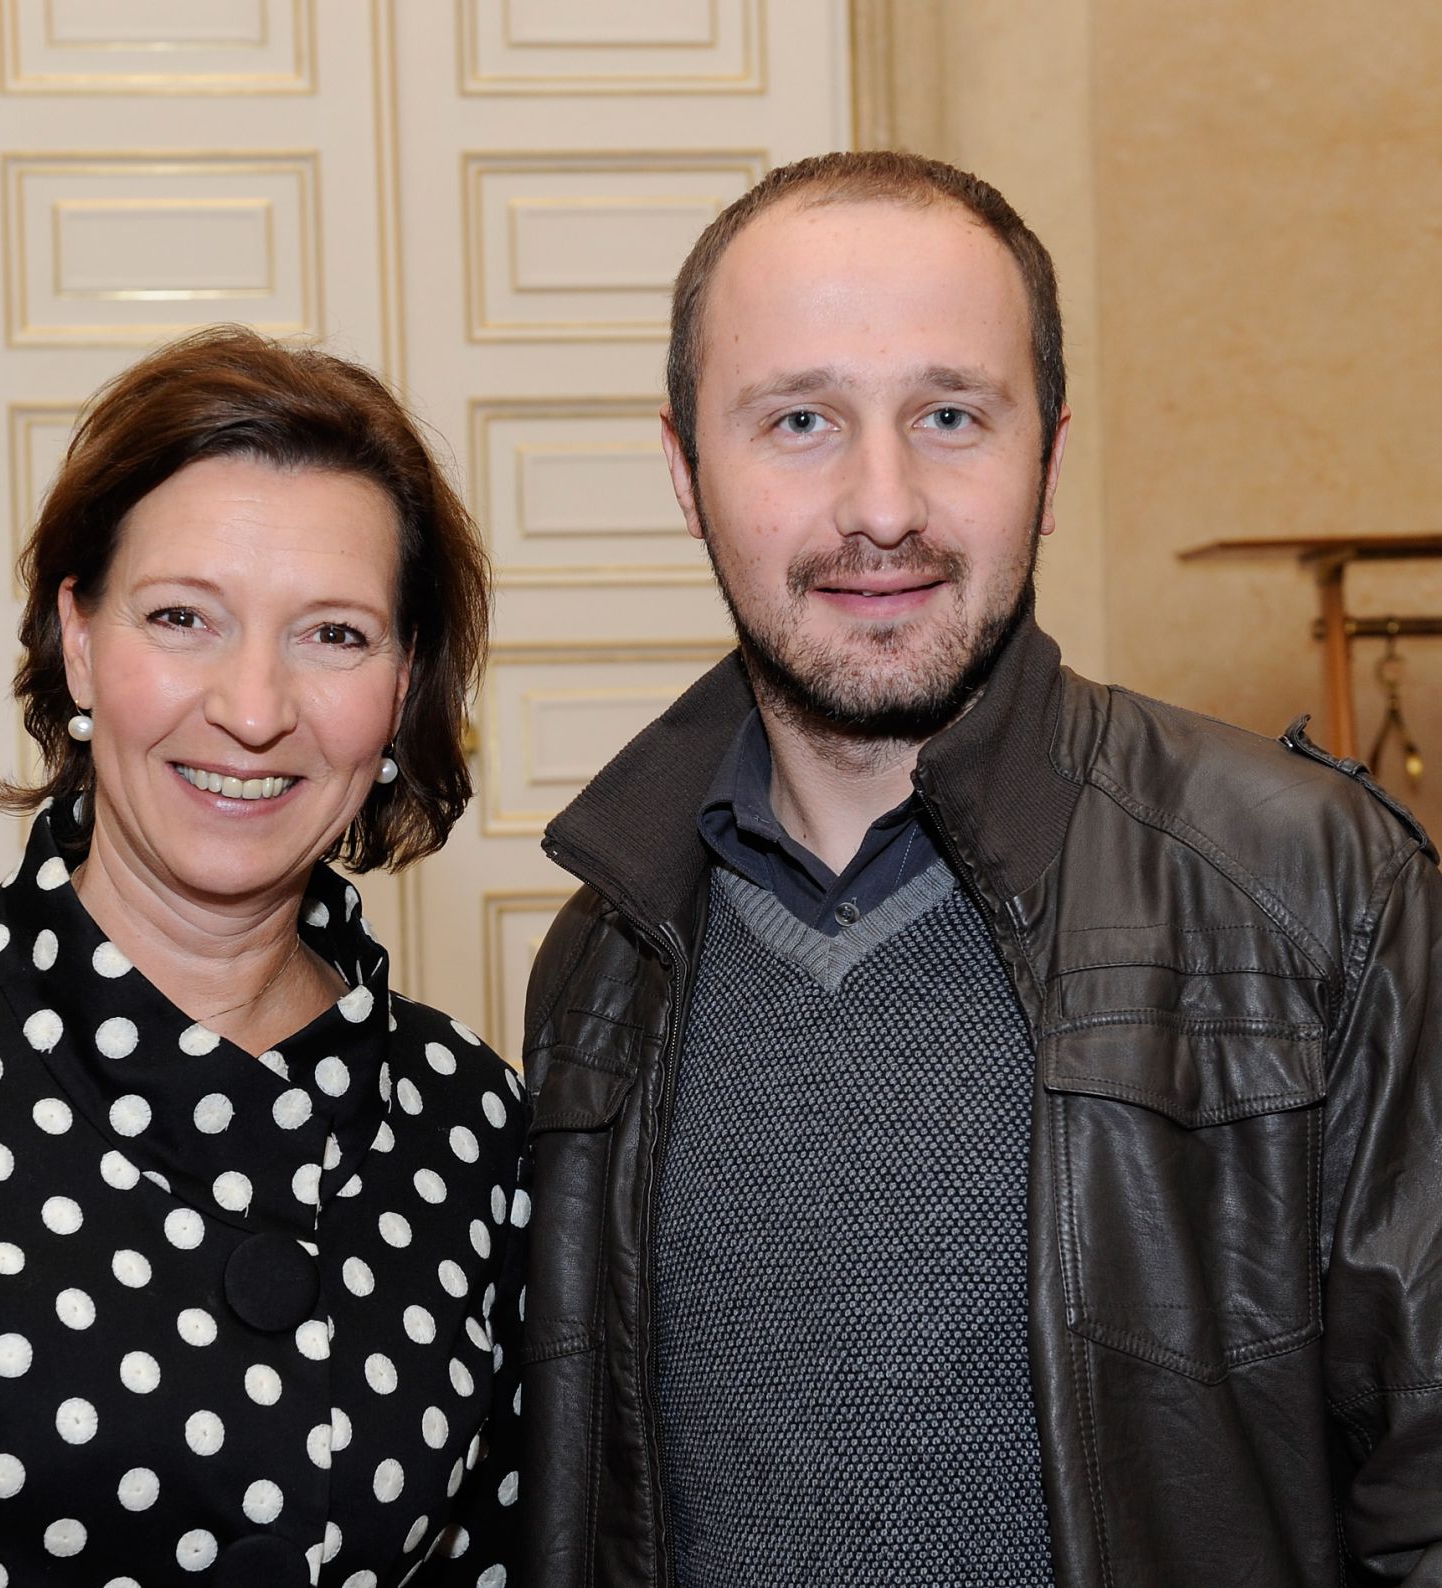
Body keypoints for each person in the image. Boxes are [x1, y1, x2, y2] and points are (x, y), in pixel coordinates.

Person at [519, 150, 1442, 1585]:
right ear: (686, 473)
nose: (882, 507)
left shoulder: (1310, 888)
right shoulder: (601, 960)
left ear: (1051, 461)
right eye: (802, 420)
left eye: (951, 415)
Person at [0, 326, 526, 1586]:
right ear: (77, 638)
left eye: (334, 635)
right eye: (182, 616)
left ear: (404, 688)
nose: (251, 707)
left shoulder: (471, 1123)